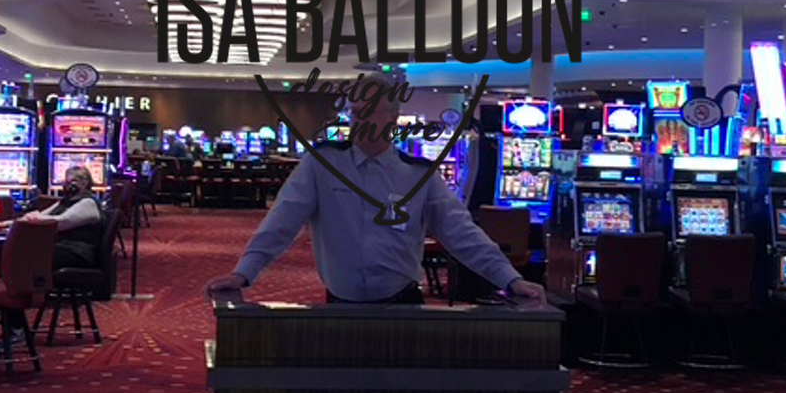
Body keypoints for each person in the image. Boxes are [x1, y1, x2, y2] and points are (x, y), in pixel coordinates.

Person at [206, 80, 546, 306]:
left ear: (392, 119)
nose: (357, 120)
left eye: (366, 112)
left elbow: (462, 234)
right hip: (340, 301)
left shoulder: (419, 175)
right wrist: (244, 272)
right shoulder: (322, 163)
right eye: (354, 113)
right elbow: (281, 222)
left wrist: (510, 279)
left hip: (402, 301)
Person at [35, 165, 106, 270]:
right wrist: (11, 223)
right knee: (27, 250)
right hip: (63, 246)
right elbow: (42, 215)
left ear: (85, 183)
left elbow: (61, 222)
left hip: (78, 252)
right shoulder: (67, 201)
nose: (69, 186)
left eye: (73, 181)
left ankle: (34, 284)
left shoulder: (88, 202)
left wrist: (34, 219)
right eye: (67, 182)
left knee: (32, 254)